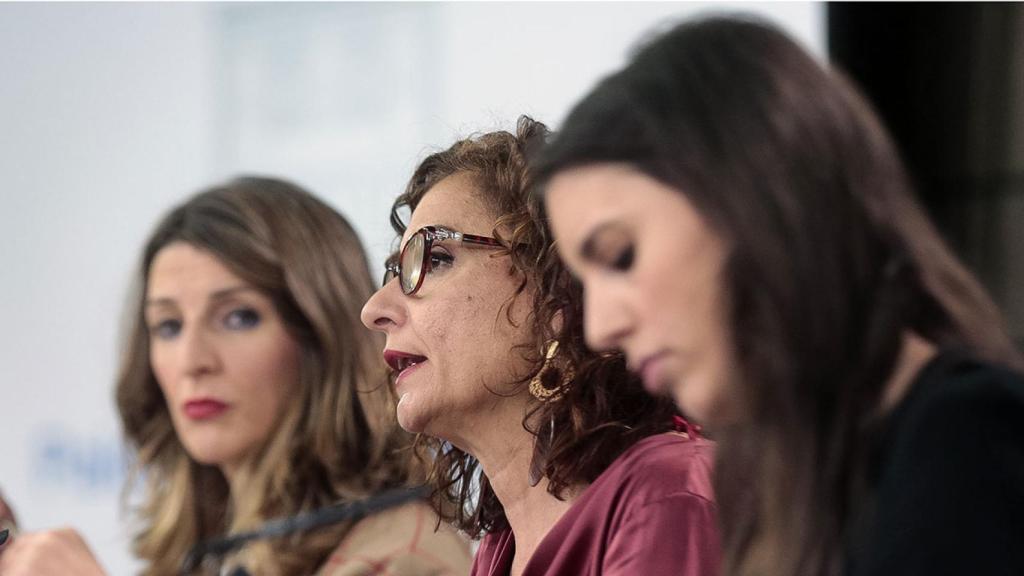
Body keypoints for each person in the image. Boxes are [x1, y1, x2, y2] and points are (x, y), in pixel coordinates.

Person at [537, 14, 1024, 576]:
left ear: (752, 198)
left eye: (621, 256)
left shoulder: (965, 446)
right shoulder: (797, 493)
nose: (599, 327)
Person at [0, 177, 472, 576]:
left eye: (238, 318)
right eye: (167, 326)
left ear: (323, 339)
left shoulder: (402, 558)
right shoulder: (206, 554)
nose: (192, 359)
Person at [360, 117, 720, 576]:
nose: (374, 308)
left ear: (559, 288)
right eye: (395, 271)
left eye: (434, 258)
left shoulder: (669, 495)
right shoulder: (499, 551)